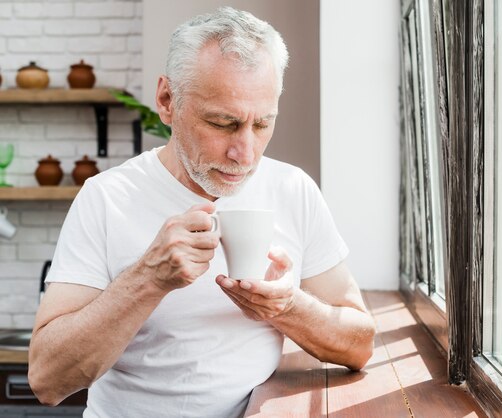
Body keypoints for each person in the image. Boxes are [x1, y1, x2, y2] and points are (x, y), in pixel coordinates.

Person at [28, 7, 375, 418]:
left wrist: (287, 307)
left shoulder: (292, 189)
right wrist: (148, 279)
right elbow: (48, 379)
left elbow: (360, 343)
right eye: (223, 123)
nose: (244, 154)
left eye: (263, 124)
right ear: (167, 100)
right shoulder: (106, 197)